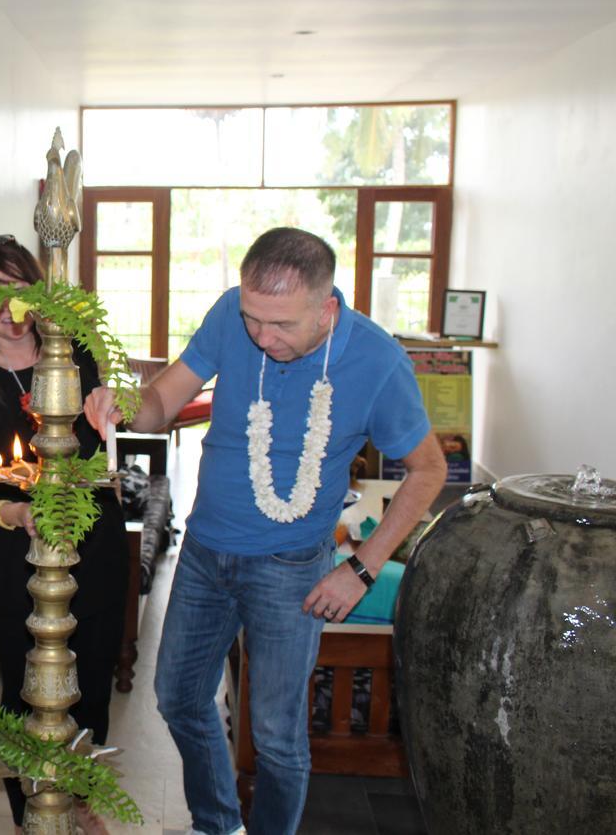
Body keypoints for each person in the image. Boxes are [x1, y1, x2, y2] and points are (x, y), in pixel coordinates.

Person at [85, 227, 446, 835]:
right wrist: (118, 402)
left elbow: (428, 469)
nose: (262, 337)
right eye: (253, 319)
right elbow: (161, 403)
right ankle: (218, 822)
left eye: (281, 325)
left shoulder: (378, 362)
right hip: (203, 554)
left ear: (327, 309)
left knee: (277, 736)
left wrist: (360, 569)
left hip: (290, 568)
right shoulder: (232, 313)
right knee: (177, 698)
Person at [0, 235, 128, 835]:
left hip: (93, 549)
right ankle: (33, 819)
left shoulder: (80, 353)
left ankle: (81, 801)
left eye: (15, 289)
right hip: (16, 556)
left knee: (90, 688)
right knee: (26, 700)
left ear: (39, 290)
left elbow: (130, 426)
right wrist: (15, 515)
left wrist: (119, 403)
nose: (4, 306)